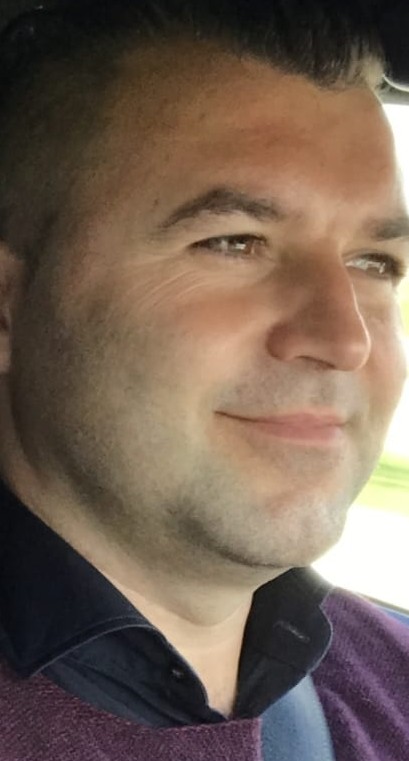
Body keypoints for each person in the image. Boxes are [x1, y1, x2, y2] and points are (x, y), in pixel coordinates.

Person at [0, 0, 408, 758]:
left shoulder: (389, 675)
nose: (344, 339)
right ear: (8, 307)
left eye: (373, 262)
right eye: (234, 242)